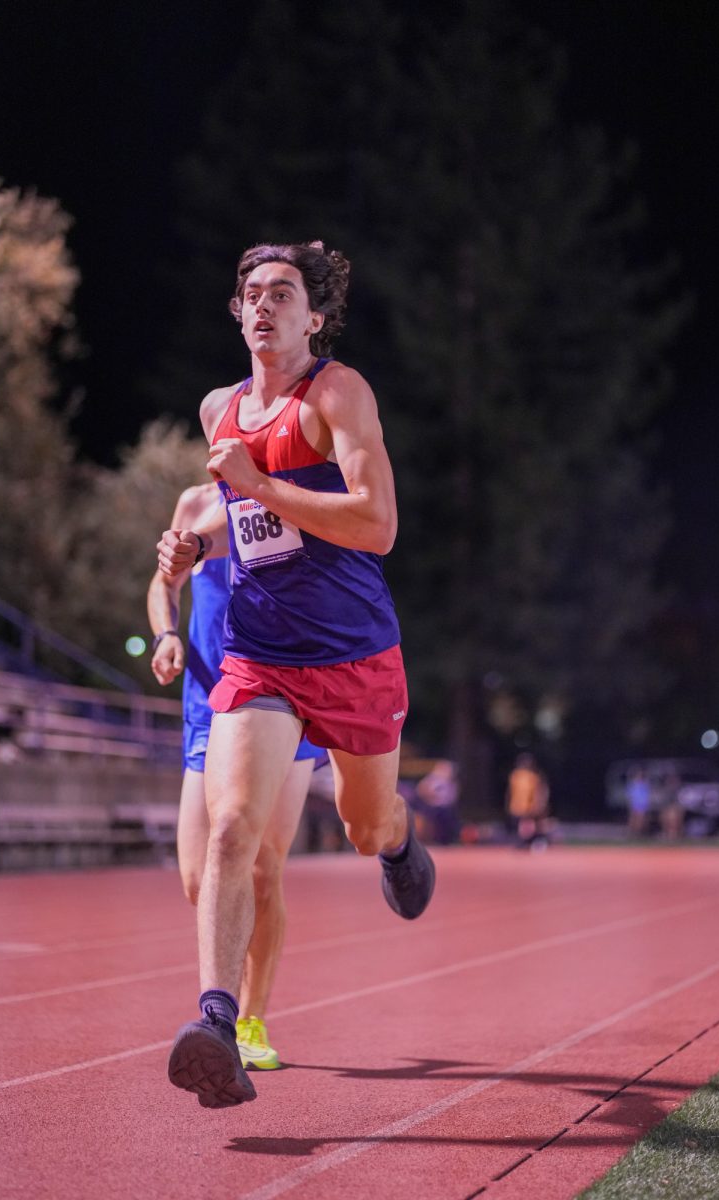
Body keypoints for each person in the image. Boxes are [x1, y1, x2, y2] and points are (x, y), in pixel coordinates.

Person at [158, 240, 435, 1109]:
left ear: (315, 317)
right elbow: (245, 521)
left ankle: (395, 839)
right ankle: (217, 1022)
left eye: (283, 293)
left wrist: (260, 485)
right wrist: (200, 542)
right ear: (237, 313)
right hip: (261, 654)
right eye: (251, 293)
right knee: (233, 830)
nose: (263, 305)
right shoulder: (219, 408)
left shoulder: (338, 394)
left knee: (359, 825)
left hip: (354, 653)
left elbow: (379, 524)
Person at [148, 481, 326, 1071]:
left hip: (278, 705)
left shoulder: (290, 497)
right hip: (207, 707)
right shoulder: (195, 505)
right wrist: (167, 633)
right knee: (201, 882)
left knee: (261, 870)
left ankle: (246, 1020)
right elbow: (163, 582)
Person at [505, 752, 550, 849]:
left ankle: (528, 841)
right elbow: (510, 791)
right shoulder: (515, 776)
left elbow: (539, 791)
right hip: (517, 805)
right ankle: (524, 841)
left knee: (528, 824)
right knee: (523, 825)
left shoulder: (533, 777)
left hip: (529, 806)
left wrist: (538, 804)